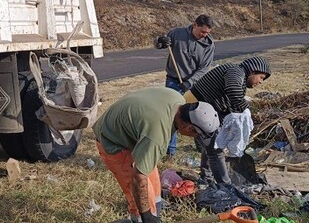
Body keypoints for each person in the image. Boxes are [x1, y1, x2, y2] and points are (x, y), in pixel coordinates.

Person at [93, 87, 220, 223]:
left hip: (133, 133)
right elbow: (138, 176)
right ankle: (139, 219)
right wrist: (147, 216)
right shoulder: (156, 136)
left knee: (154, 192)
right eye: (196, 135)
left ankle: (155, 215)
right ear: (190, 127)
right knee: (140, 201)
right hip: (113, 140)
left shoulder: (177, 99)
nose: (194, 138)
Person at [189, 56, 271, 184]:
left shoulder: (239, 76)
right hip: (194, 108)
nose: (260, 82)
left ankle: (206, 178)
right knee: (215, 149)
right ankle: (225, 186)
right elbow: (233, 90)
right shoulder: (236, 71)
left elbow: (228, 103)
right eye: (261, 77)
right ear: (253, 71)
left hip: (203, 110)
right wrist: (245, 109)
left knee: (212, 145)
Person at [154, 14, 215, 157]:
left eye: (207, 33)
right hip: (173, 81)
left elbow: (204, 68)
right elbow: (159, 45)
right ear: (195, 25)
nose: (204, 35)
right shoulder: (176, 33)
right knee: (173, 115)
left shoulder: (208, 45)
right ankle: (170, 151)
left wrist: (190, 82)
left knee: (197, 115)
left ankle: (201, 147)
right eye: (202, 32)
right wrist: (160, 41)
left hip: (194, 84)